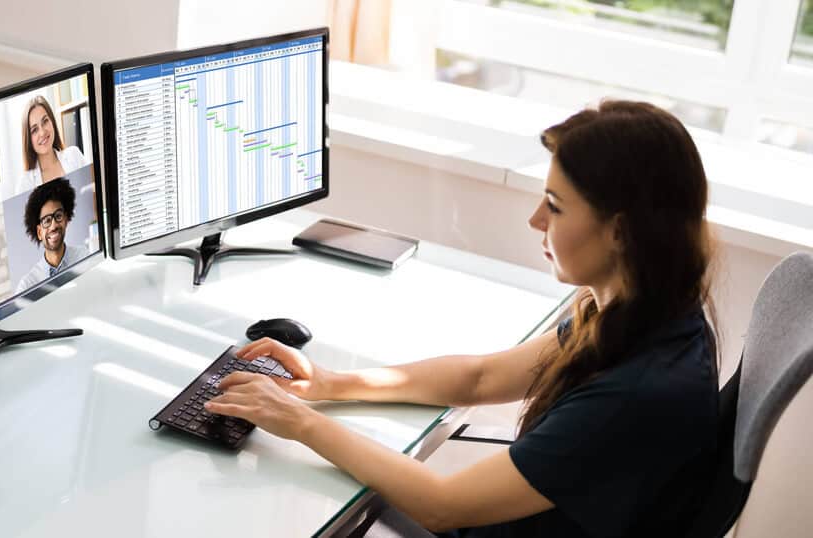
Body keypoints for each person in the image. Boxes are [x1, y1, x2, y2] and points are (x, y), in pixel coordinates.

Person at [205, 100, 720, 537]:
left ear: (620, 232)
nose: (536, 220)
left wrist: (299, 422)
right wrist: (331, 383)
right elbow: (483, 377)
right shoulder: (643, 310)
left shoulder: (637, 390)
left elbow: (443, 503)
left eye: (556, 207)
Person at [15, 179, 89, 293]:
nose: (54, 225)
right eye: (47, 220)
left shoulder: (84, 256)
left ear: (66, 220)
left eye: (58, 216)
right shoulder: (27, 286)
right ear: (39, 232)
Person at [12, 95, 89, 194]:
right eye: (34, 130)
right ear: (28, 139)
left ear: (52, 121)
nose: (42, 133)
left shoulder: (74, 155)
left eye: (45, 121)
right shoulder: (25, 184)